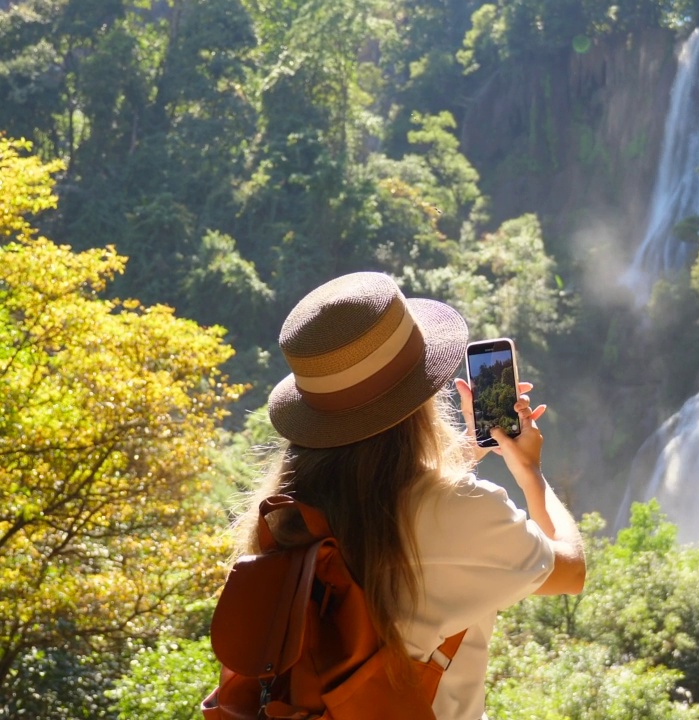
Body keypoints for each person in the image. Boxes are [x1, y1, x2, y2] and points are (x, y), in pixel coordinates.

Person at [232, 271, 586, 719]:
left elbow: (379, 490)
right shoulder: (464, 510)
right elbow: (571, 570)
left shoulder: (285, 510)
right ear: (423, 393)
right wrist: (529, 470)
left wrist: (461, 456)